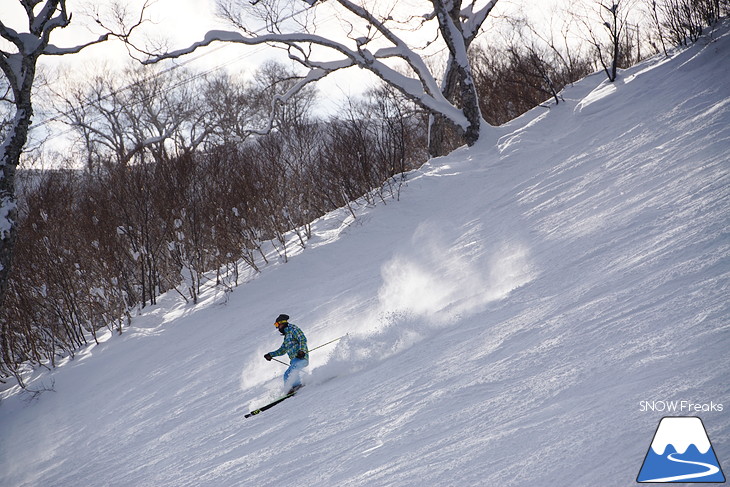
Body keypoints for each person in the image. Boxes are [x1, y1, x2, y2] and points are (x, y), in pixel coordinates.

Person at [264, 314, 309, 394]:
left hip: (301, 357)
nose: (277, 327)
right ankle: (290, 389)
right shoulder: (287, 336)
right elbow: (282, 350)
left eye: (277, 324)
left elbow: (302, 338)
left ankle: (296, 387)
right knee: (287, 375)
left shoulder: (293, 329)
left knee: (293, 371)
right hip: (294, 360)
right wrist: (271, 355)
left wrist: (301, 351)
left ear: (282, 323)